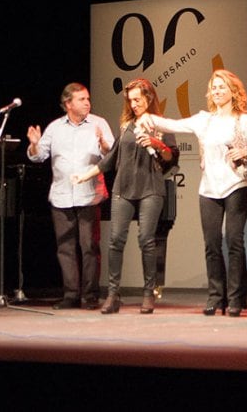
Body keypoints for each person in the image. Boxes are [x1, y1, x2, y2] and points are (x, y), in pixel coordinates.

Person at [138, 69, 247, 317]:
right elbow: (174, 124)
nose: (217, 91)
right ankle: (216, 297)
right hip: (209, 187)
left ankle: (235, 299)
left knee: (234, 241)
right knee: (212, 244)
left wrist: (245, 153)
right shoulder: (205, 119)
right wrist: (148, 117)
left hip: (237, 184)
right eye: (213, 87)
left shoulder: (244, 119)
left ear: (233, 91)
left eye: (222, 87)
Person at [72, 78, 178, 314]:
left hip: (151, 187)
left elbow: (171, 158)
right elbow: (110, 160)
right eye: (131, 101)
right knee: (116, 240)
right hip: (123, 188)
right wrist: (85, 175)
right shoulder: (126, 126)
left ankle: (149, 293)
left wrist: (156, 143)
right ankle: (113, 294)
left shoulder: (159, 125)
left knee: (146, 239)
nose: (134, 104)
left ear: (148, 98)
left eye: (138, 99)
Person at [26, 83, 114, 310]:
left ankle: (90, 296)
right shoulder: (55, 128)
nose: (87, 102)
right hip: (61, 195)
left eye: (88, 99)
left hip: (89, 195)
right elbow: (38, 157)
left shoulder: (99, 123)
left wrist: (103, 143)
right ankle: (71, 294)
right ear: (68, 103)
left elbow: (112, 156)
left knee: (89, 246)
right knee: (65, 247)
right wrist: (35, 145)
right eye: (82, 99)